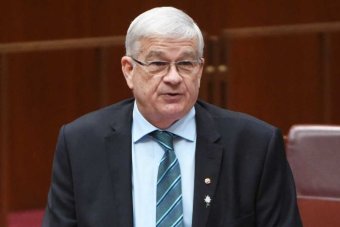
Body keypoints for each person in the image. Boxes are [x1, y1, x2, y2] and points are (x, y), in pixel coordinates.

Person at [43, 6, 302, 227]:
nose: (174, 78)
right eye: (158, 64)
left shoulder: (255, 144)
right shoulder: (81, 142)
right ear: (129, 70)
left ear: (200, 70)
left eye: (186, 64)